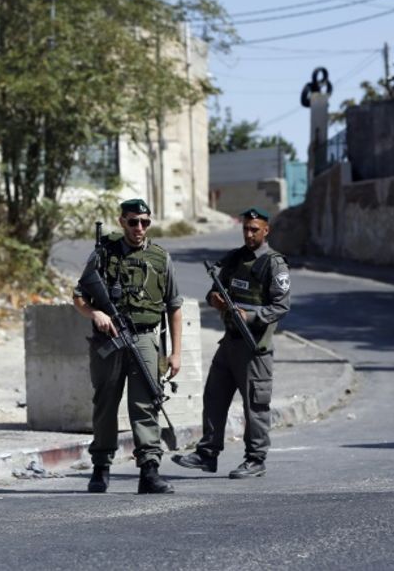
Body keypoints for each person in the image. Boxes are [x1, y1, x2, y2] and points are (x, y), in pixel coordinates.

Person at [73, 199, 183, 494]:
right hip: (109, 339)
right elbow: (80, 296)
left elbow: (174, 306)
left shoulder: (161, 258)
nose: (139, 228)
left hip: (146, 337)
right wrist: (95, 313)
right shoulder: (103, 254)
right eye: (133, 221)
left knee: (146, 402)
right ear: (121, 221)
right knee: (105, 402)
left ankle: (149, 470)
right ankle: (100, 468)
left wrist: (175, 353)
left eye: (145, 222)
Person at [173, 207, 290, 479]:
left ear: (266, 230)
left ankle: (255, 459)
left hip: (254, 347)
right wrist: (215, 299)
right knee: (214, 397)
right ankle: (207, 453)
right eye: (246, 229)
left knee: (255, 405)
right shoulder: (235, 259)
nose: (249, 234)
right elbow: (216, 289)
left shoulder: (274, 264)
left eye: (254, 229)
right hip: (229, 343)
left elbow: (281, 307)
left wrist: (250, 316)